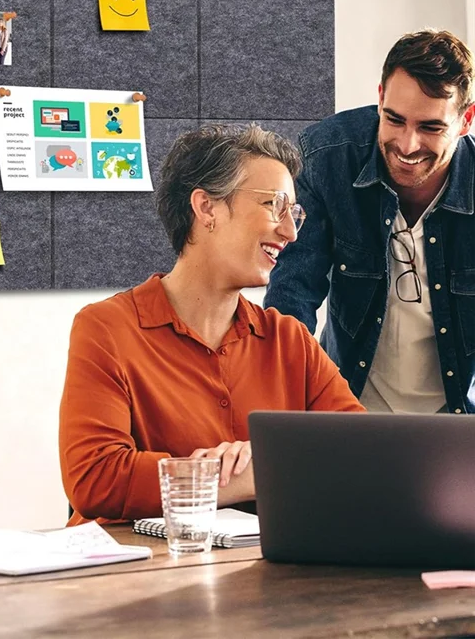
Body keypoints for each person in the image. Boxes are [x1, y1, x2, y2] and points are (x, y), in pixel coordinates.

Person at [59, 125, 365, 526]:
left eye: (295, 213)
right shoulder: (106, 329)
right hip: (136, 578)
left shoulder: (289, 341)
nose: (290, 231)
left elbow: (362, 455)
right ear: (206, 208)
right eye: (274, 205)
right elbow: (95, 478)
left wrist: (265, 464)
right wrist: (234, 480)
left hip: (262, 575)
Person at [264, 30, 475, 415]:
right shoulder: (328, 156)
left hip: (457, 422)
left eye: (431, 127)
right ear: (380, 98)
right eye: (394, 119)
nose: (408, 145)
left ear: (466, 120)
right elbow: (292, 291)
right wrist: (286, 407)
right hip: (349, 409)